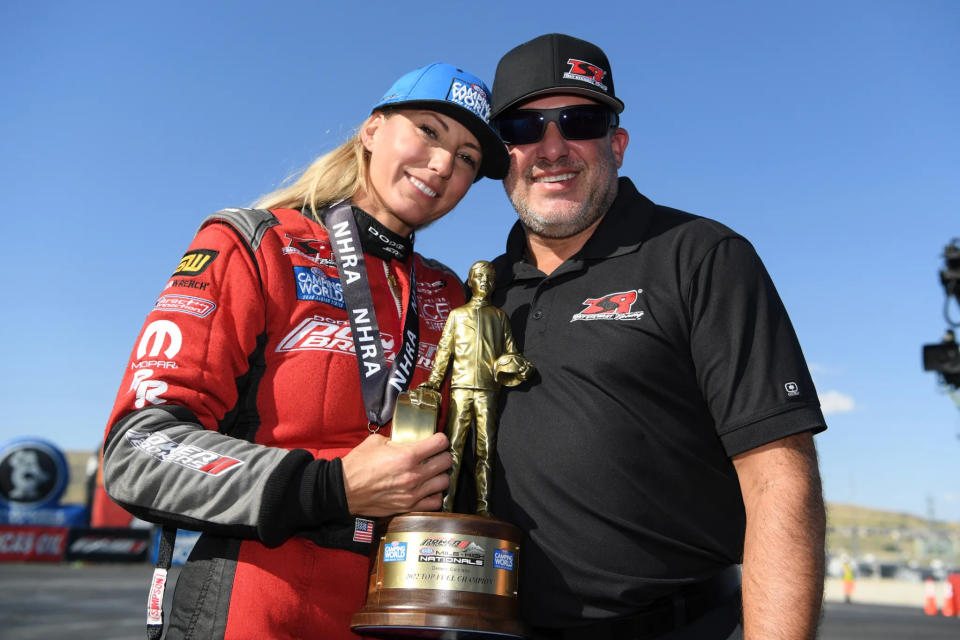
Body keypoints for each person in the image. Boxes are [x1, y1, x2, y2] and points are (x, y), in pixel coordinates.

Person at [100, 62, 508, 640]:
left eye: (468, 158)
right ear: (372, 131)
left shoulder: (451, 294)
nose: (443, 164)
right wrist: (331, 486)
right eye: (428, 130)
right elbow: (138, 449)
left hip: (410, 605)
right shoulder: (255, 243)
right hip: (260, 602)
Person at [487, 34, 827, 640]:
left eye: (580, 120)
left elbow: (779, 476)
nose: (552, 147)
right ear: (501, 154)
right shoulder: (481, 294)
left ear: (616, 143)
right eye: (524, 127)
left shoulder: (703, 257)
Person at [417, 260, 533, 516]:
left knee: (487, 450)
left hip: (488, 392)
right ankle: (445, 506)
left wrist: (521, 367)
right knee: (453, 449)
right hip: (460, 389)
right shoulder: (457, 315)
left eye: (490, 279)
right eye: (480, 277)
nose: (485, 283)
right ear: (470, 281)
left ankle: (483, 507)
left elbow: (512, 353)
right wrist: (435, 382)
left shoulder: (500, 317)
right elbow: (444, 351)